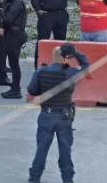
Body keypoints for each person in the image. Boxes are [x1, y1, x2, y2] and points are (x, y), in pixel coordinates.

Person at [27, 44, 89, 183]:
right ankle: (67, 179)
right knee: (65, 150)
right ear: (65, 58)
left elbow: (32, 90)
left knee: (42, 148)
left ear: (52, 57)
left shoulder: (41, 71)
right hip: (64, 117)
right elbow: (86, 65)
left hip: (46, 115)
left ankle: (34, 177)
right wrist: (75, 53)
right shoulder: (70, 73)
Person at [29, 0, 75, 68]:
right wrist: (37, 9)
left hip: (61, 14)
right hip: (47, 14)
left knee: (60, 42)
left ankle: (59, 66)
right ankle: (39, 66)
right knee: (43, 41)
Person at [1, 0, 28, 99]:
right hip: (14, 34)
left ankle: (16, 89)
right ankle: (14, 88)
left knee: (14, 64)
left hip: (15, 35)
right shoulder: (15, 3)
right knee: (13, 64)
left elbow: (8, 19)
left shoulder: (17, 4)